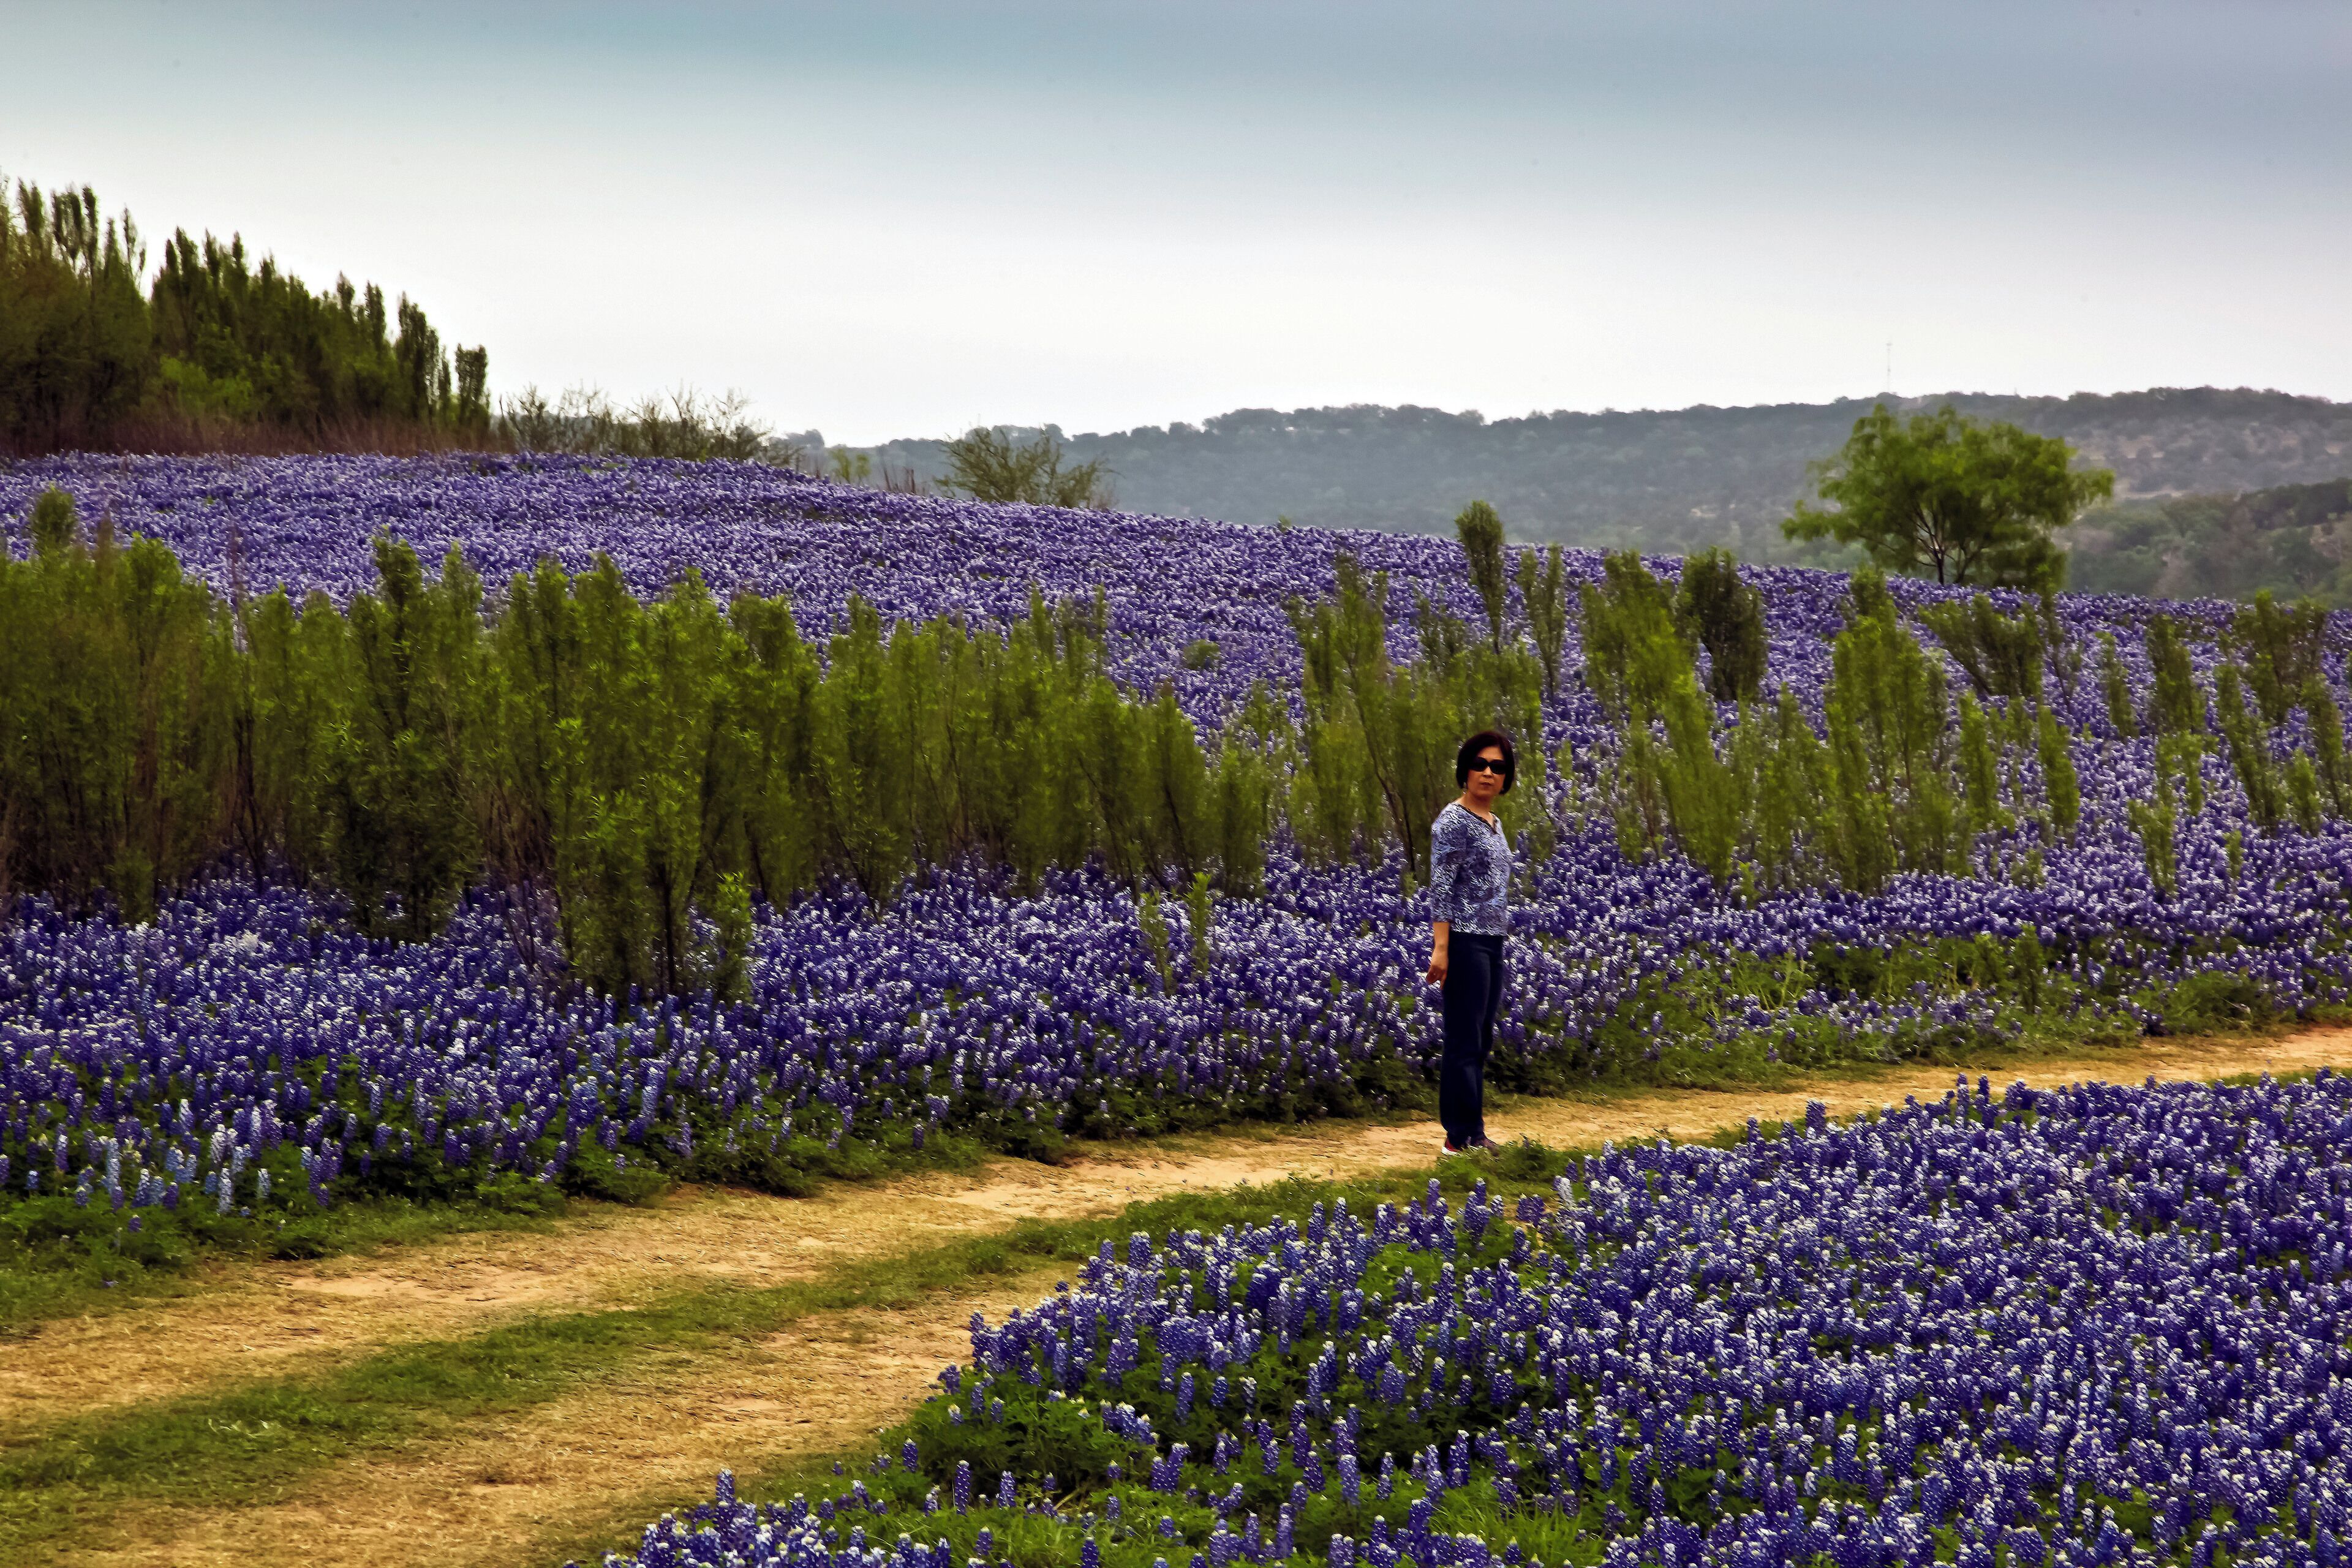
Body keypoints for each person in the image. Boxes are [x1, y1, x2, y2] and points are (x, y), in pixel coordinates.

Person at [1425, 729, 1514, 1155]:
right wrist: (1441, 948)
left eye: (1497, 767)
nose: (1487, 773)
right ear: (1465, 770)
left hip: (1493, 941)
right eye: (1479, 764)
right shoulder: (1452, 822)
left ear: (1505, 777)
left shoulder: (1494, 824)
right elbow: (1441, 889)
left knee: (1480, 1039)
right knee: (1463, 1039)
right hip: (1463, 940)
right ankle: (1459, 1138)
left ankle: (1473, 1131)